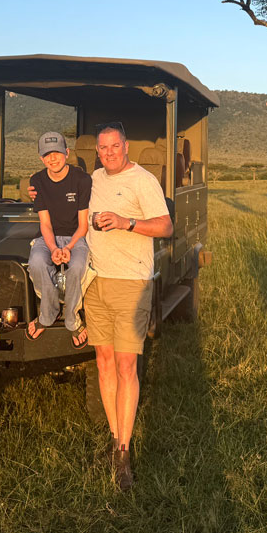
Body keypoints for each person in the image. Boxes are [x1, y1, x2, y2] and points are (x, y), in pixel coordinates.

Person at [85, 122, 173, 490]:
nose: (108, 153)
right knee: (103, 362)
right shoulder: (93, 179)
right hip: (96, 281)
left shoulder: (143, 180)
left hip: (131, 282)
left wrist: (126, 222)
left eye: (114, 146)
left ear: (125, 147)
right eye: (102, 148)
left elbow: (166, 226)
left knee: (126, 365)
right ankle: (114, 435)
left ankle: (124, 452)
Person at [25, 131, 91, 348]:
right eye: (47, 155)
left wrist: (70, 247)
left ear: (67, 153)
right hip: (48, 237)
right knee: (36, 262)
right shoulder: (38, 180)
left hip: (76, 236)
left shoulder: (81, 179)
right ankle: (48, 313)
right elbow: (45, 223)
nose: (52, 159)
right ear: (40, 158)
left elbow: (83, 225)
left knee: (78, 266)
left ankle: (72, 318)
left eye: (56, 153)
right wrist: (53, 248)